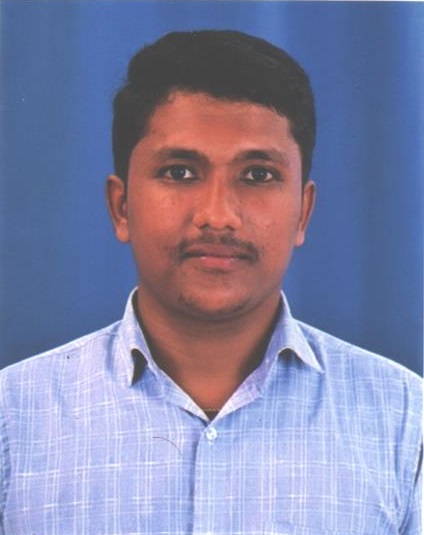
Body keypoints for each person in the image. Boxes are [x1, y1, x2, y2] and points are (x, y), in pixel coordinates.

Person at [0, 30, 421, 534]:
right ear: (121, 206)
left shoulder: (404, 419)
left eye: (258, 175)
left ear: (303, 212)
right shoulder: (13, 420)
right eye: (179, 172)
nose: (218, 216)